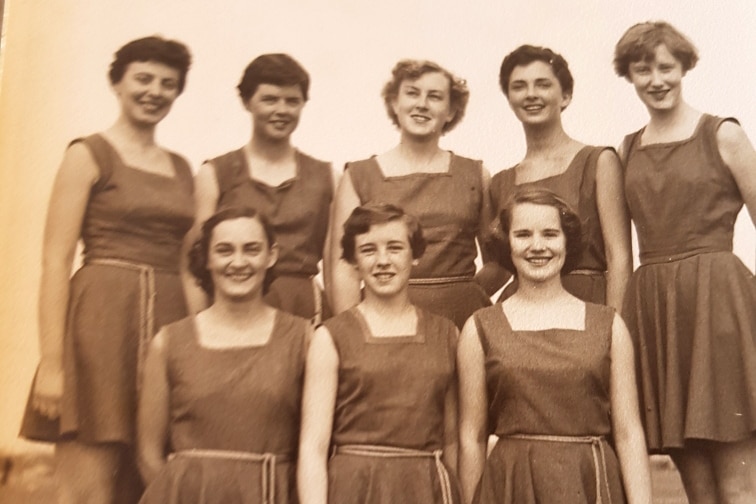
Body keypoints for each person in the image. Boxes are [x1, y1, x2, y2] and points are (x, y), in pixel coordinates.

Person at [19, 36, 194, 504]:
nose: (154, 91)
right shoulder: (87, 153)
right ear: (117, 83)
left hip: (168, 324)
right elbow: (55, 260)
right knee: (87, 482)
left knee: (155, 473)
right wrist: (52, 365)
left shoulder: (181, 168)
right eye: (143, 78)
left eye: (168, 84)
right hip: (99, 325)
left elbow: (189, 262)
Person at [614, 21, 756, 503]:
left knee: (738, 483)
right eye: (642, 69)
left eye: (665, 67)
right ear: (629, 76)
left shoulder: (724, 134)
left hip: (719, 306)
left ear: (683, 68)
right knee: (696, 488)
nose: (656, 79)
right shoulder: (627, 149)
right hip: (657, 312)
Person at [457, 188, 652, 504]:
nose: (537, 246)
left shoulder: (609, 324)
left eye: (550, 234)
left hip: (588, 483)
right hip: (511, 485)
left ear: (567, 241)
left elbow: (629, 434)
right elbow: (471, 437)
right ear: (507, 243)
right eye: (523, 235)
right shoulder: (479, 328)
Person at [138, 206, 309, 504]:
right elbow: (148, 454)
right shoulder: (169, 342)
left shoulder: (304, 338)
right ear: (206, 258)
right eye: (224, 250)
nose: (238, 262)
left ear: (272, 255)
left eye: (252, 249)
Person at [299, 203, 460, 504]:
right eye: (368, 250)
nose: (382, 261)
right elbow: (313, 447)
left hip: (425, 488)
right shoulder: (330, 336)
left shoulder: (447, 334)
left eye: (395, 247)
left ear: (415, 255)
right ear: (354, 261)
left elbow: (452, 442)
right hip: (354, 488)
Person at [327, 59, 500, 329]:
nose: (422, 104)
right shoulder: (359, 175)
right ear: (395, 103)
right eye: (412, 93)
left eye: (434, 96)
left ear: (451, 111)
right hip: (382, 319)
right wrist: (352, 335)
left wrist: (462, 294)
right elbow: (345, 268)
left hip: (461, 319)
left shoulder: (475, 174)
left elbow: (497, 263)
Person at [186, 53, 333, 323]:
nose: (282, 110)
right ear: (247, 102)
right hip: (232, 307)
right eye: (269, 99)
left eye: (292, 101)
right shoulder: (214, 174)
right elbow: (195, 262)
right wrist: (201, 323)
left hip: (302, 306)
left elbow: (335, 266)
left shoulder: (326, 177)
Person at [489, 45, 631, 311]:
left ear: (565, 96)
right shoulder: (500, 182)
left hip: (587, 304)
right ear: (509, 99)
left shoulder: (599, 161)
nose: (531, 94)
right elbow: (498, 268)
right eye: (519, 86)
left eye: (543, 84)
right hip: (522, 310)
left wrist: (614, 330)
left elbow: (619, 258)